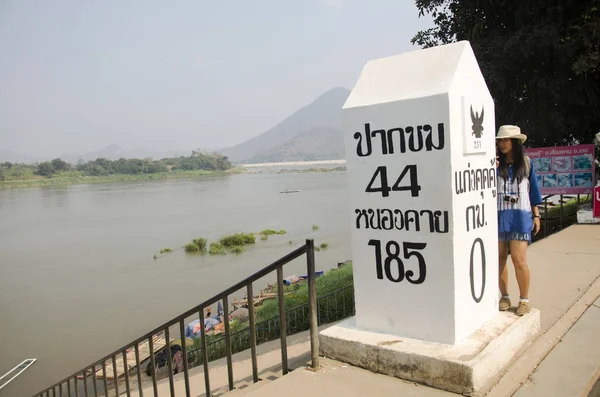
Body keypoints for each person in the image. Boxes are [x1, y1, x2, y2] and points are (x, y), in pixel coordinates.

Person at [495, 125, 542, 316]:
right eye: (500, 140)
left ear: (515, 142)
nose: (502, 143)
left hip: (520, 216)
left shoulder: (527, 163)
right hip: (498, 215)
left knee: (519, 260)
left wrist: (536, 215)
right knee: (499, 259)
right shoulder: (494, 163)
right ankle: (504, 296)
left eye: (506, 140)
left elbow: (534, 192)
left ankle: (524, 299)